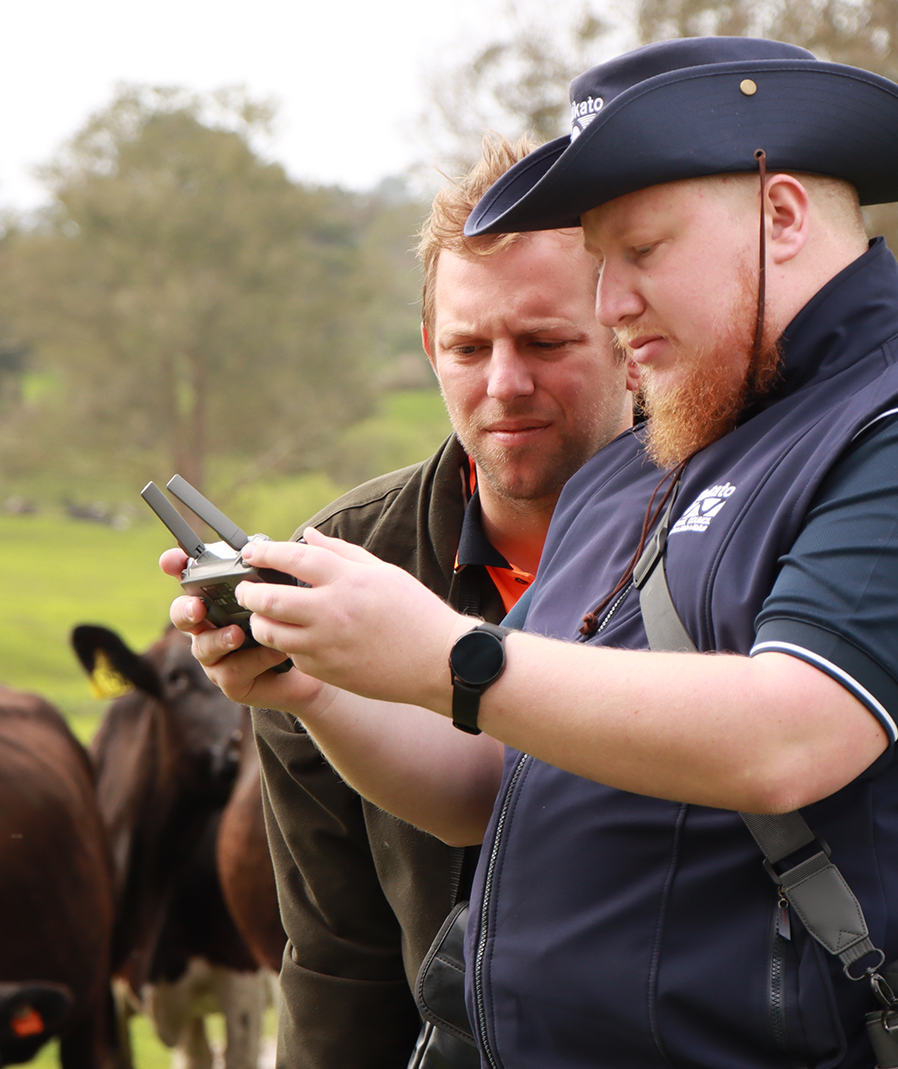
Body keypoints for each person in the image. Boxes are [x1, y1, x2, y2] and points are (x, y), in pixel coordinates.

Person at [170, 37, 898, 1068]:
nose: (609, 306)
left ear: (779, 216)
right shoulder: (635, 465)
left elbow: (789, 735)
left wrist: (447, 656)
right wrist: (319, 682)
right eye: (601, 263)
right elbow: (490, 779)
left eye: (641, 252)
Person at [243, 135, 637, 1068]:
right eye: (468, 346)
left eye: (544, 341)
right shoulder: (340, 566)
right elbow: (338, 950)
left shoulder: (737, 529)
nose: (504, 384)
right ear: (429, 349)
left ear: (628, 329)